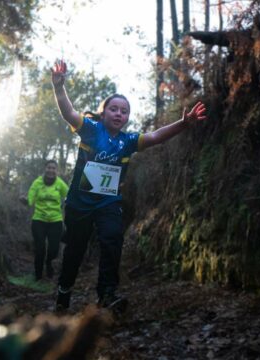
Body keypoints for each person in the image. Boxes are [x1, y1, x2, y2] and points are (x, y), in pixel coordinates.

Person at [51, 59, 207, 311]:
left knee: (112, 239)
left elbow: (156, 136)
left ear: (127, 118)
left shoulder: (129, 141)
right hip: (79, 203)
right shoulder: (90, 129)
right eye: (114, 109)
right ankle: (64, 290)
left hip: (108, 203)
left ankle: (107, 293)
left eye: (124, 111)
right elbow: (68, 112)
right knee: (75, 251)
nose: (119, 114)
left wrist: (184, 123)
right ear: (104, 113)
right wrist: (59, 87)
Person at [22, 160, 69, 281]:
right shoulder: (37, 183)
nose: (51, 170)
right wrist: (25, 200)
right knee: (40, 248)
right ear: (45, 169)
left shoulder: (60, 183)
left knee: (53, 249)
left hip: (56, 221)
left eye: (53, 168)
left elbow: (69, 195)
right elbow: (30, 199)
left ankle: (49, 265)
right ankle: (38, 276)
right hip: (39, 220)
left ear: (56, 171)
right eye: (49, 167)